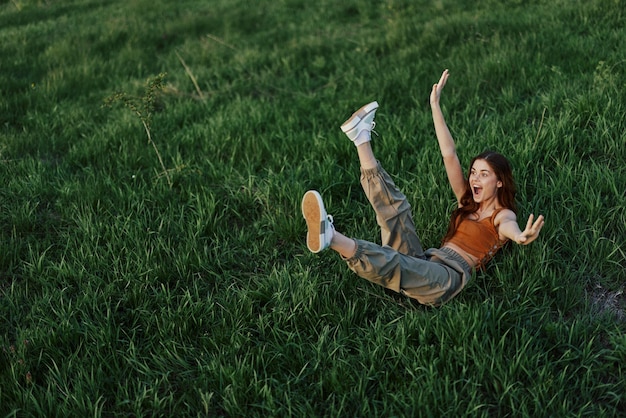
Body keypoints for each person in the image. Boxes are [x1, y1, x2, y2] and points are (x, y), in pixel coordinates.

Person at [301, 69, 545, 306]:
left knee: (397, 264)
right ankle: (361, 138)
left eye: (484, 175)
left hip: (447, 278)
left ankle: (331, 237)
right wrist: (435, 106)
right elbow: (449, 155)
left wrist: (520, 236)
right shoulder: (466, 201)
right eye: (473, 173)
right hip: (425, 261)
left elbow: (510, 227)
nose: (474, 180)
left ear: (499, 181)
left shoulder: (502, 215)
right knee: (398, 213)